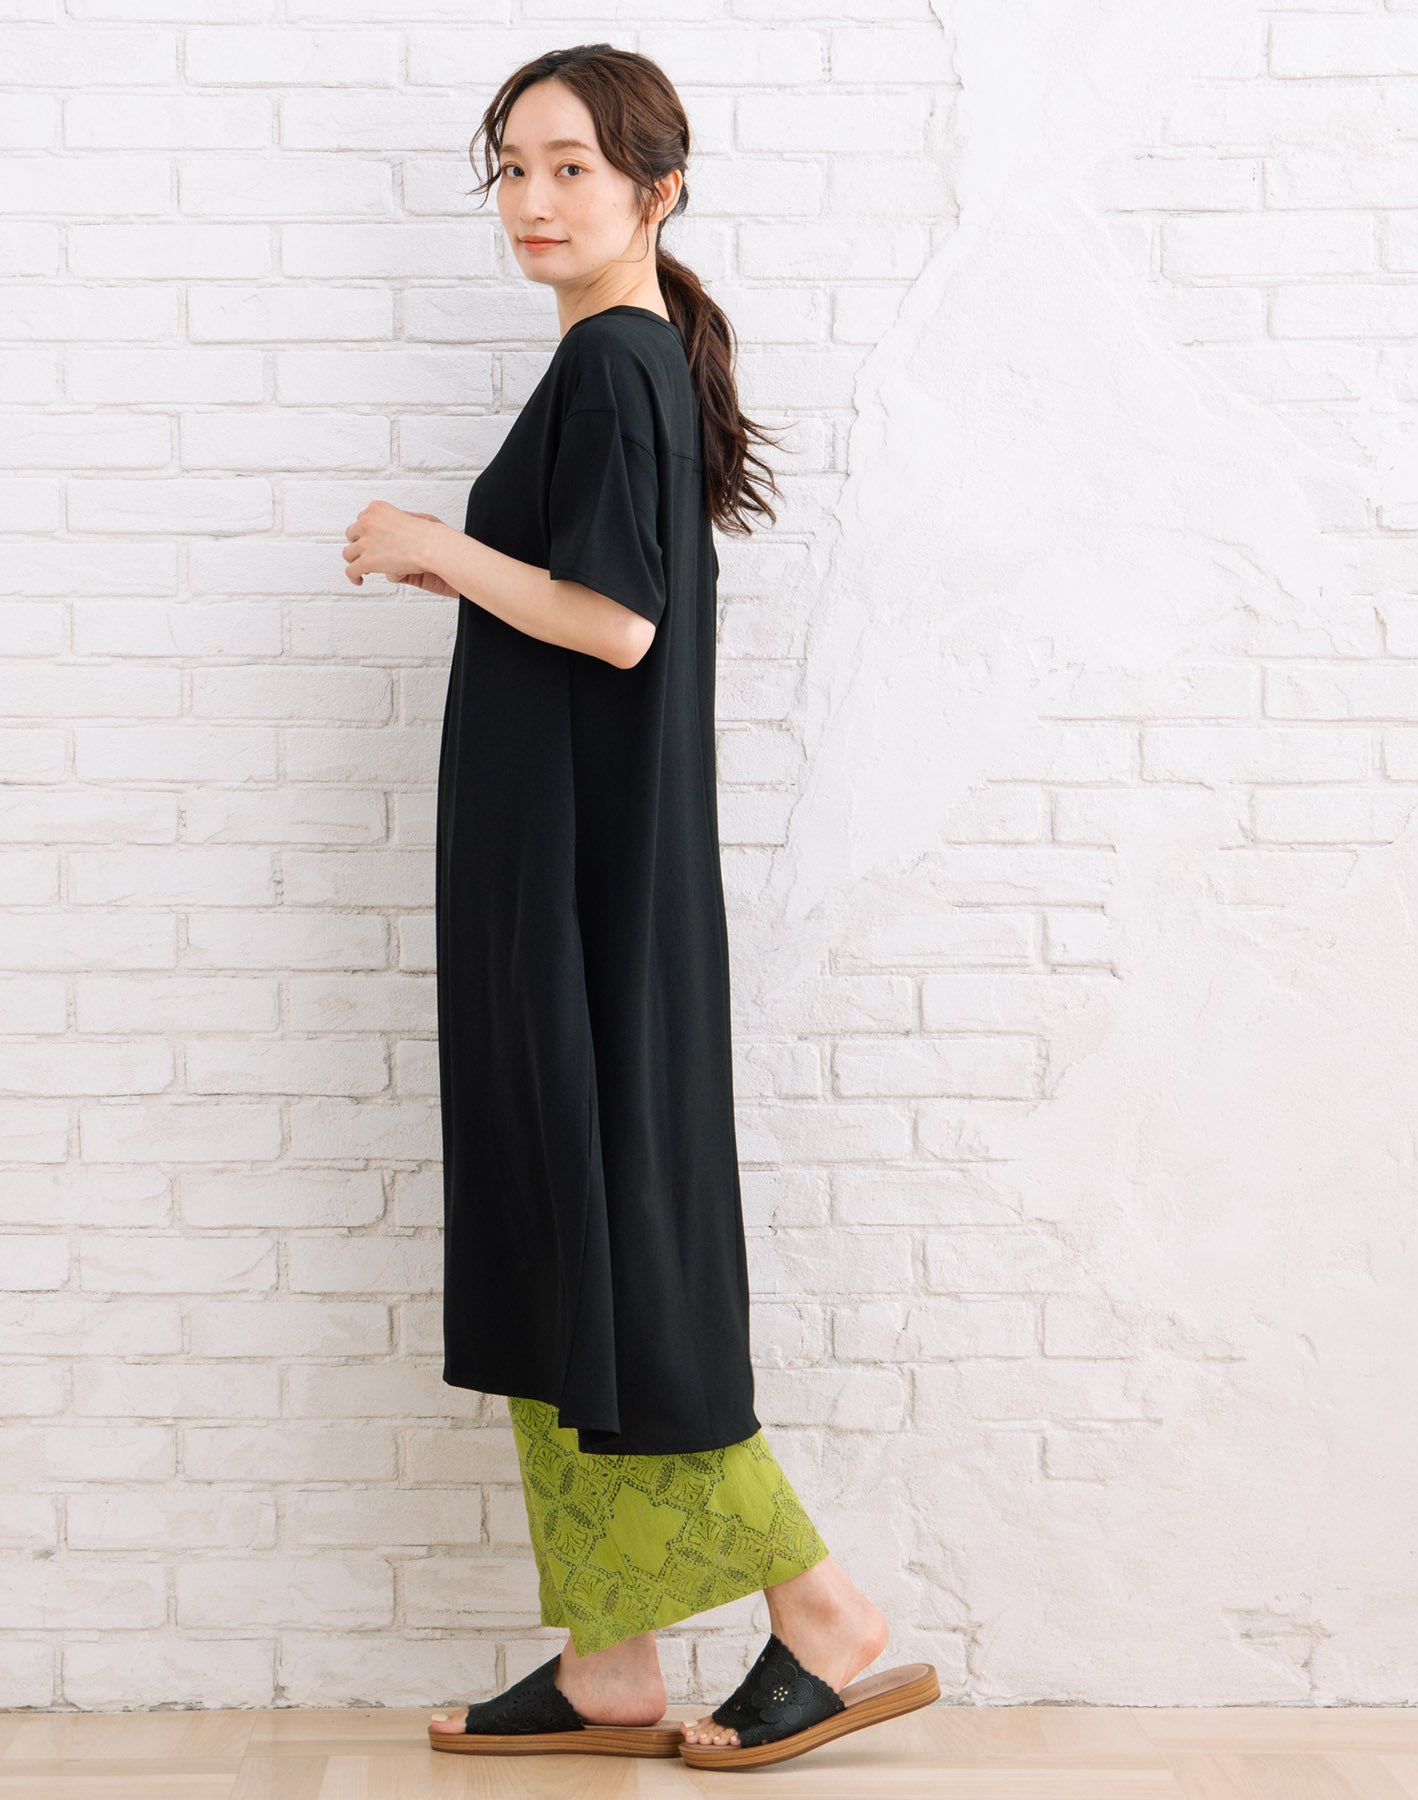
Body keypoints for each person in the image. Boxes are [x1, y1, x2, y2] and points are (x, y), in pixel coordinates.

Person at [340, 43, 940, 1771]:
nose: (533, 202)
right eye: (514, 171)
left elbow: (615, 624)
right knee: (561, 1241)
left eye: (572, 170)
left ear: (656, 191)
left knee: (611, 1249)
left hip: (588, 894)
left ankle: (824, 1616)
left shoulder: (615, 361)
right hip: (569, 876)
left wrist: (430, 544)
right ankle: (610, 1660)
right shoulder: (625, 353)